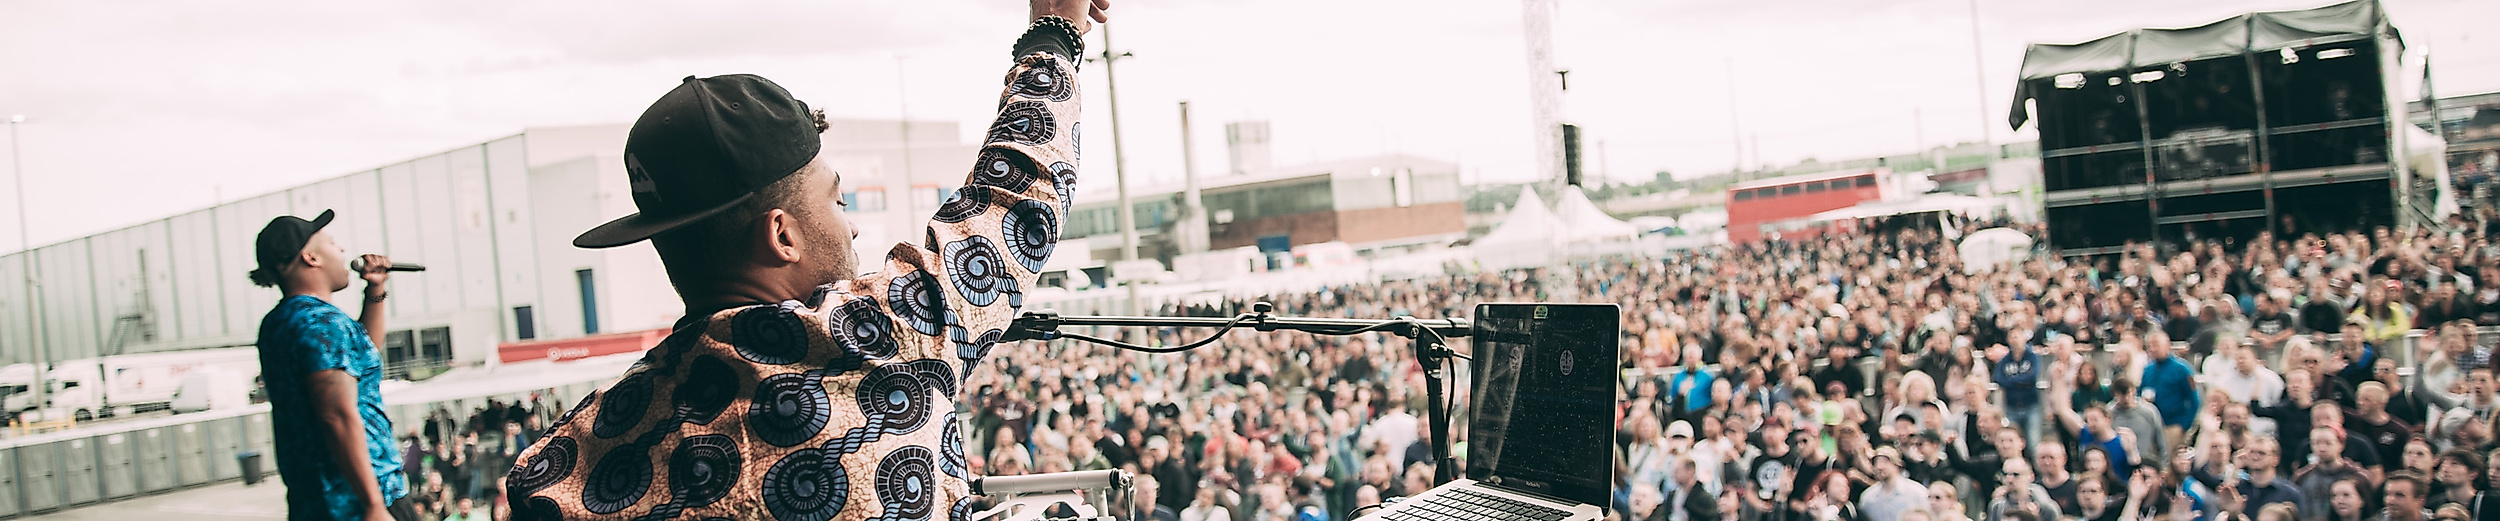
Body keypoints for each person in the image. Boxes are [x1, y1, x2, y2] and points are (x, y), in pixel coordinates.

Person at [500, 0, 1109, 518]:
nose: (851, 225)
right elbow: (1016, 195)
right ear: (781, 236)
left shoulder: (561, 469)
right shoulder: (881, 342)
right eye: (838, 199)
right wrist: (1054, 29)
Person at [248, 210, 411, 521]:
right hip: (357, 501)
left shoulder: (280, 321)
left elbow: (363, 357)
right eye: (333, 243)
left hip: (315, 498)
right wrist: (373, 504)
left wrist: (375, 290)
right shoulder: (321, 323)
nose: (342, 251)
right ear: (311, 257)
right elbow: (335, 414)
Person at [1861, 447, 1928, 521]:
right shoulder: (1868, 498)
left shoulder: (1917, 492)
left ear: (1897, 465)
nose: (1879, 467)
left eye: (1885, 462)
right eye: (1876, 462)